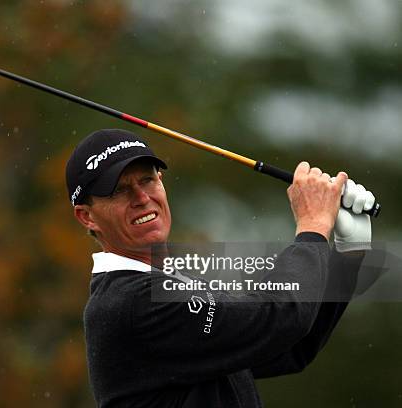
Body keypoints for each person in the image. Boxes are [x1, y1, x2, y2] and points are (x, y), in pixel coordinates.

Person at [65, 129, 376, 408]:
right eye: (119, 190)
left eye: (147, 178)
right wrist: (313, 225)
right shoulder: (132, 304)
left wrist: (348, 255)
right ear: (87, 217)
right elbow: (281, 315)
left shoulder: (172, 285)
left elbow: (289, 347)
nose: (142, 198)